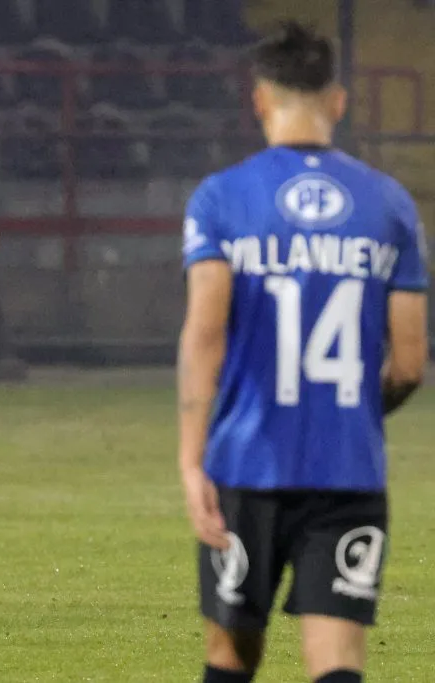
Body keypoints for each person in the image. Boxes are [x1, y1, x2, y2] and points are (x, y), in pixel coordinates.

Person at [178, 22, 428, 683]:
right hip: (348, 471)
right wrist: (350, 410)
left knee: (231, 655)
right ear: (338, 100)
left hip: (244, 466)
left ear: (259, 100)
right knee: (337, 663)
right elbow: (408, 363)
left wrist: (189, 458)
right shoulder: (390, 204)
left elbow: (205, 334)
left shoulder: (221, 198)